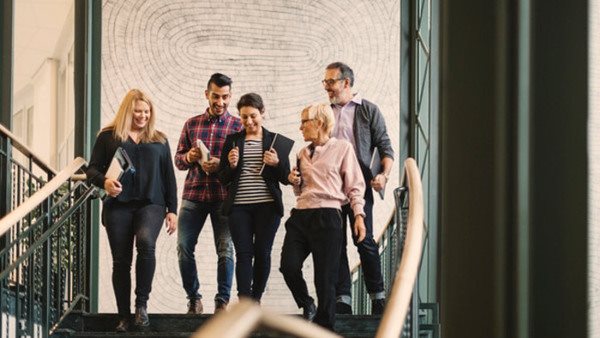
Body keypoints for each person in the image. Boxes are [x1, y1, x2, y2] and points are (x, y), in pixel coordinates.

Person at [86, 89, 178, 332]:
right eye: (138, 111)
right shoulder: (108, 137)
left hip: (152, 204)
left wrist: (173, 210)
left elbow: (169, 177)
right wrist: (104, 182)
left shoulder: (159, 139)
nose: (143, 116)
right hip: (118, 207)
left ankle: (141, 305)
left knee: (146, 243)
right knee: (121, 261)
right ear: (128, 110)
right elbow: (92, 170)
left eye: (147, 112)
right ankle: (124, 316)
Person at [279, 103, 366, 331]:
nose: (300, 128)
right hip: (300, 216)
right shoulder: (301, 153)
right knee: (288, 266)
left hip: (328, 216)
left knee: (325, 280)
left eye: (304, 122)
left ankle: (324, 330)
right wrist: (294, 182)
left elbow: (355, 186)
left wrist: (358, 216)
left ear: (319, 123)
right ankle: (307, 303)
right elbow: (300, 190)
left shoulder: (343, 148)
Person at [322, 62, 395, 315]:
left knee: (364, 241)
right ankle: (343, 299)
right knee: (336, 243)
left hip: (359, 185)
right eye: (325, 82)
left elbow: (386, 148)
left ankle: (378, 296)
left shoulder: (368, 110)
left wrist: (384, 176)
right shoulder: (324, 111)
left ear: (346, 83)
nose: (327, 87)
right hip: (330, 187)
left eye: (331, 82)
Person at [174, 73, 242, 314]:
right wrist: (190, 157)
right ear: (207, 94)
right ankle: (194, 298)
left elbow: (243, 167)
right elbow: (178, 161)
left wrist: (221, 165)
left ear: (230, 96)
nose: (220, 102)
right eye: (216, 96)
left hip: (223, 197)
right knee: (183, 247)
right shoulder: (192, 124)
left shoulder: (238, 126)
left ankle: (222, 302)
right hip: (194, 195)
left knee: (226, 249)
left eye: (225, 97)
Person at [218, 93, 290, 303]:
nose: (248, 121)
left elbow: (286, 177)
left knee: (262, 253)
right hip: (239, 207)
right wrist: (231, 165)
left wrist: (277, 163)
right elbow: (223, 177)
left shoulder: (274, 140)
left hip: (267, 207)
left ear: (262, 113)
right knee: (243, 254)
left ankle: (256, 299)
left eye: (253, 116)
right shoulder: (232, 141)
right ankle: (244, 301)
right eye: (244, 117)